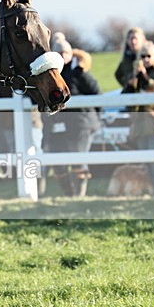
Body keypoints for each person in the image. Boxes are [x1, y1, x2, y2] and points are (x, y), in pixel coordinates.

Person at [41, 34, 101, 197]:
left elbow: (97, 94)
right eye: (59, 53)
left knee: (77, 159)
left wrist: (97, 119)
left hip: (81, 123)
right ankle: (69, 194)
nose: (63, 56)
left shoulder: (79, 72)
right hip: (58, 124)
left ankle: (79, 194)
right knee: (57, 161)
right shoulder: (49, 75)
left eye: (66, 53)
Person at [122, 41, 154, 196]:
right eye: (142, 56)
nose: (145, 59)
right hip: (140, 122)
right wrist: (134, 80)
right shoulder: (136, 74)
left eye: (148, 56)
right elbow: (127, 95)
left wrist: (146, 78)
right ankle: (153, 189)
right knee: (147, 159)